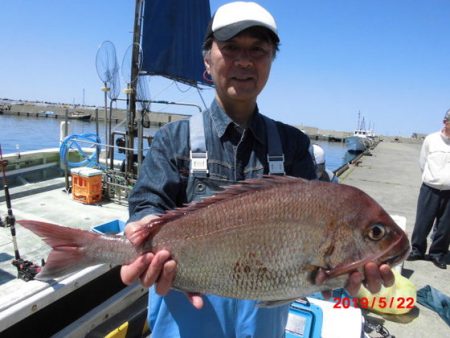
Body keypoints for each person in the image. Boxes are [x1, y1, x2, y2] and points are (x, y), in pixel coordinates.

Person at [120, 2, 394, 337]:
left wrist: (339, 274)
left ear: (271, 61)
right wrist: (141, 227)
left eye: (258, 50)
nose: (245, 61)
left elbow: (315, 254)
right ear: (207, 59)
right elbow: (147, 205)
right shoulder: (171, 140)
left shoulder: (294, 145)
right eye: (231, 47)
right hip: (183, 315)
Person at [407, 109, 450, 270]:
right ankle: (417, 250)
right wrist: (432, 178)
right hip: (430, 188)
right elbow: (422, 162)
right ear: (445, 122)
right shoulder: (431, 139)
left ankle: (437, 253)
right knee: (422, 222)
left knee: (446, 226)